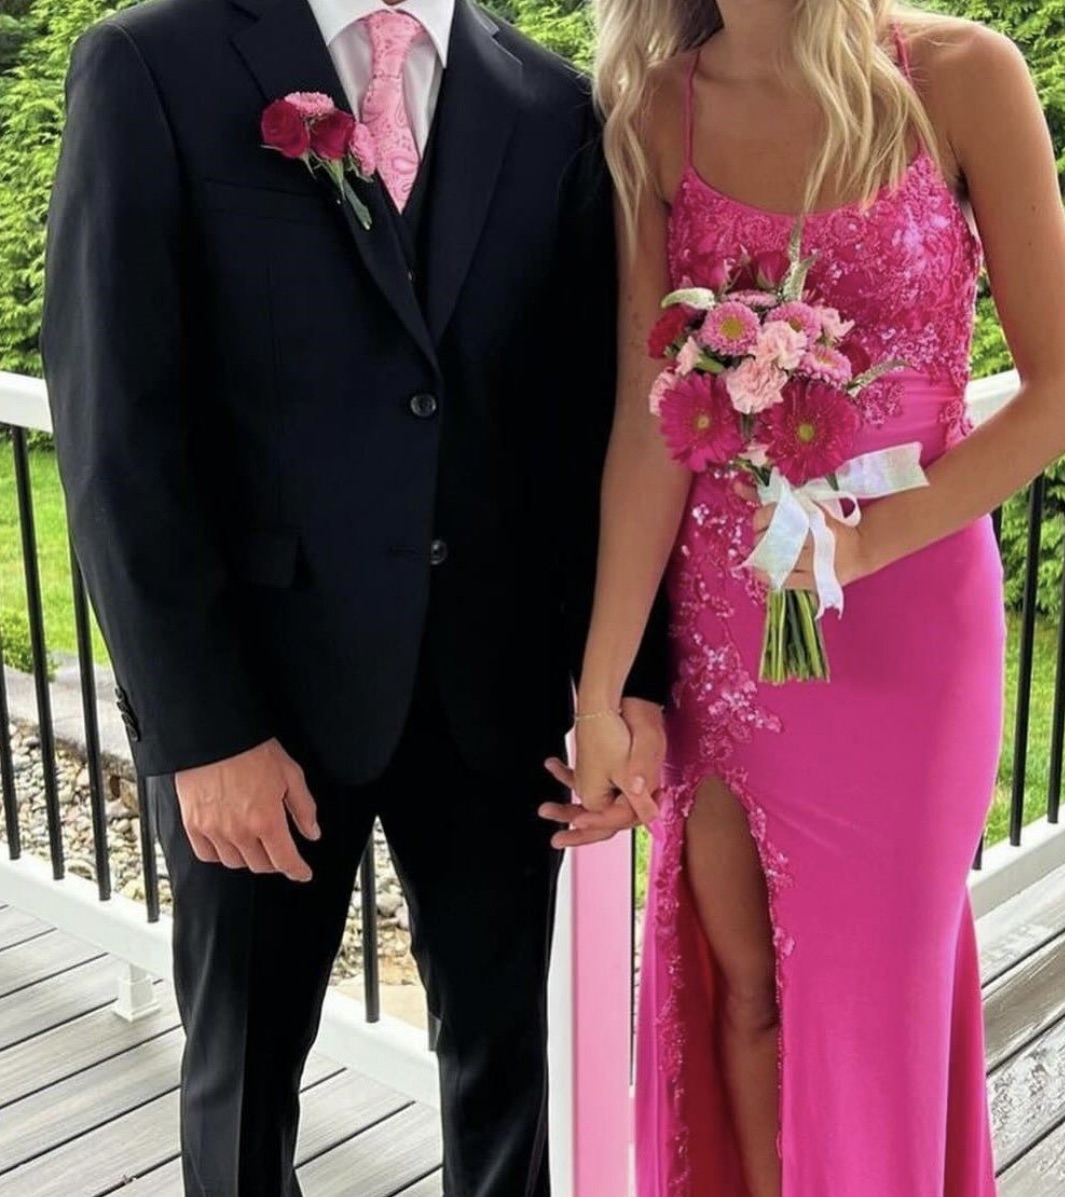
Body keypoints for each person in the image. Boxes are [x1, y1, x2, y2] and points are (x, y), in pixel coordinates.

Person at [40, 0, 668, 1190]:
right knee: (242, 1078)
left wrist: (630, 682)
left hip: (495, 702)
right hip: (260, 702)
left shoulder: (550, 103)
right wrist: (203, 729)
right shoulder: (152, 64)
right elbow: (117, 429)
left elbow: (590, 422)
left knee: (504, 1075)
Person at [543, 1, 1065, 1193]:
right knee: (745, 994)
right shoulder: (654, 111)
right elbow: (648, 425)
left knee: (878, 1003)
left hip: (910, 622)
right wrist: (599, 693)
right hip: (724, 626)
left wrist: (865, 544)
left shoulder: (960, 73)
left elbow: (1064, 391)